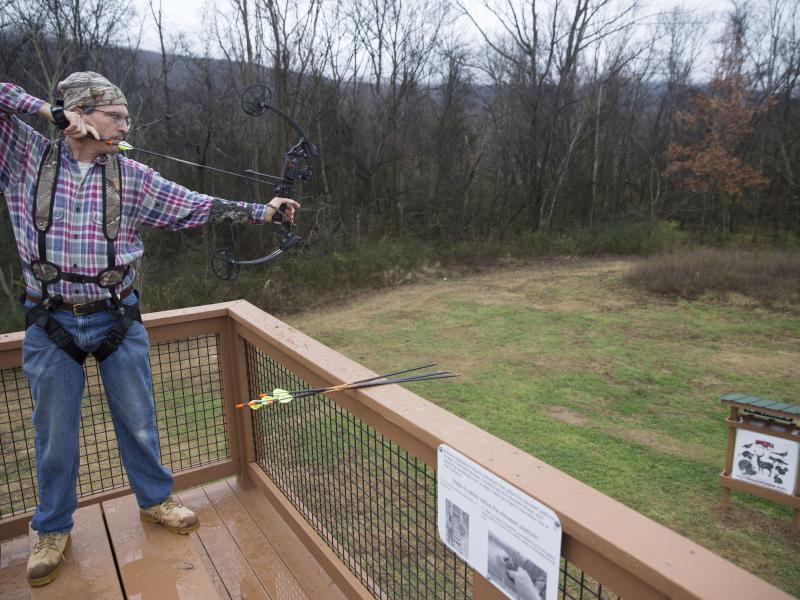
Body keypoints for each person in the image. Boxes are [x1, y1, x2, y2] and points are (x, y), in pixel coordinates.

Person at [0, 72, 300, 588]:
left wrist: (262, 212)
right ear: (80, 114)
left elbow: (196, 205)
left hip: (117, 318)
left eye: (125, 117)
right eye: (115, 116)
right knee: (54, 436)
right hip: (50, 322)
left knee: (139, 420)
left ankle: (156, 501)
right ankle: (50, 529)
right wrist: (46, 111)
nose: (124, 125)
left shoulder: (131, 176)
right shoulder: (25, 155)